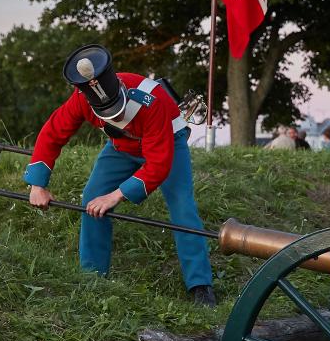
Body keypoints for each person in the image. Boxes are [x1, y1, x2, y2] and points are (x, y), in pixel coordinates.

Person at [24, 44, 215, 306]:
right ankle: (92, 277)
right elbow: (52, 132)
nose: (117, 116)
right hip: (121, 146)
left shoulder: (152, 104)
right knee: (92, 197)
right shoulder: (81, 98)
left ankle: (200, 285)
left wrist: (116, 195)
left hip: (168, 140)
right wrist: (37, 184)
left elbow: (158, 165)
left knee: (182, 206)